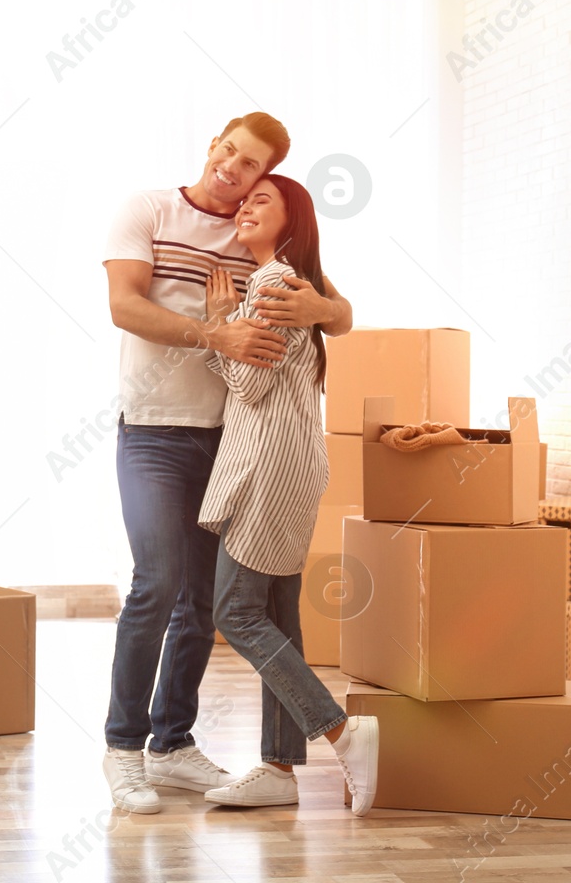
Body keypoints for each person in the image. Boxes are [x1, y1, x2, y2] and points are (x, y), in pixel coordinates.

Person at [100, 112, 354, 814]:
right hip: (152, 432)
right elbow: (124, 306)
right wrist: (215, 333)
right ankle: (123, 750)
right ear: (214, 143)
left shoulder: (255, 236)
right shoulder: (148, 209)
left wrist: (327, 308)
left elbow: (335, 308)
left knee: (203, 604)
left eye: (253, 172)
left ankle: (172, 745)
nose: (236, 177)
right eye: (232, 156)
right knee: (157, 581)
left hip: (229, 441)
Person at [196, 174, 380, 815]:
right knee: (275, 615)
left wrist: (218, 326)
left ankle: (341, 730)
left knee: (237, 613)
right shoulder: (288, 283)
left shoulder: (273, 285)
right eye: (245, 200)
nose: (246, 205)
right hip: (292, 463)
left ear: (293, 221)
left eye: (261, 200)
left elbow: (245, 387)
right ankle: (278, 768)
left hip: (268, 469)